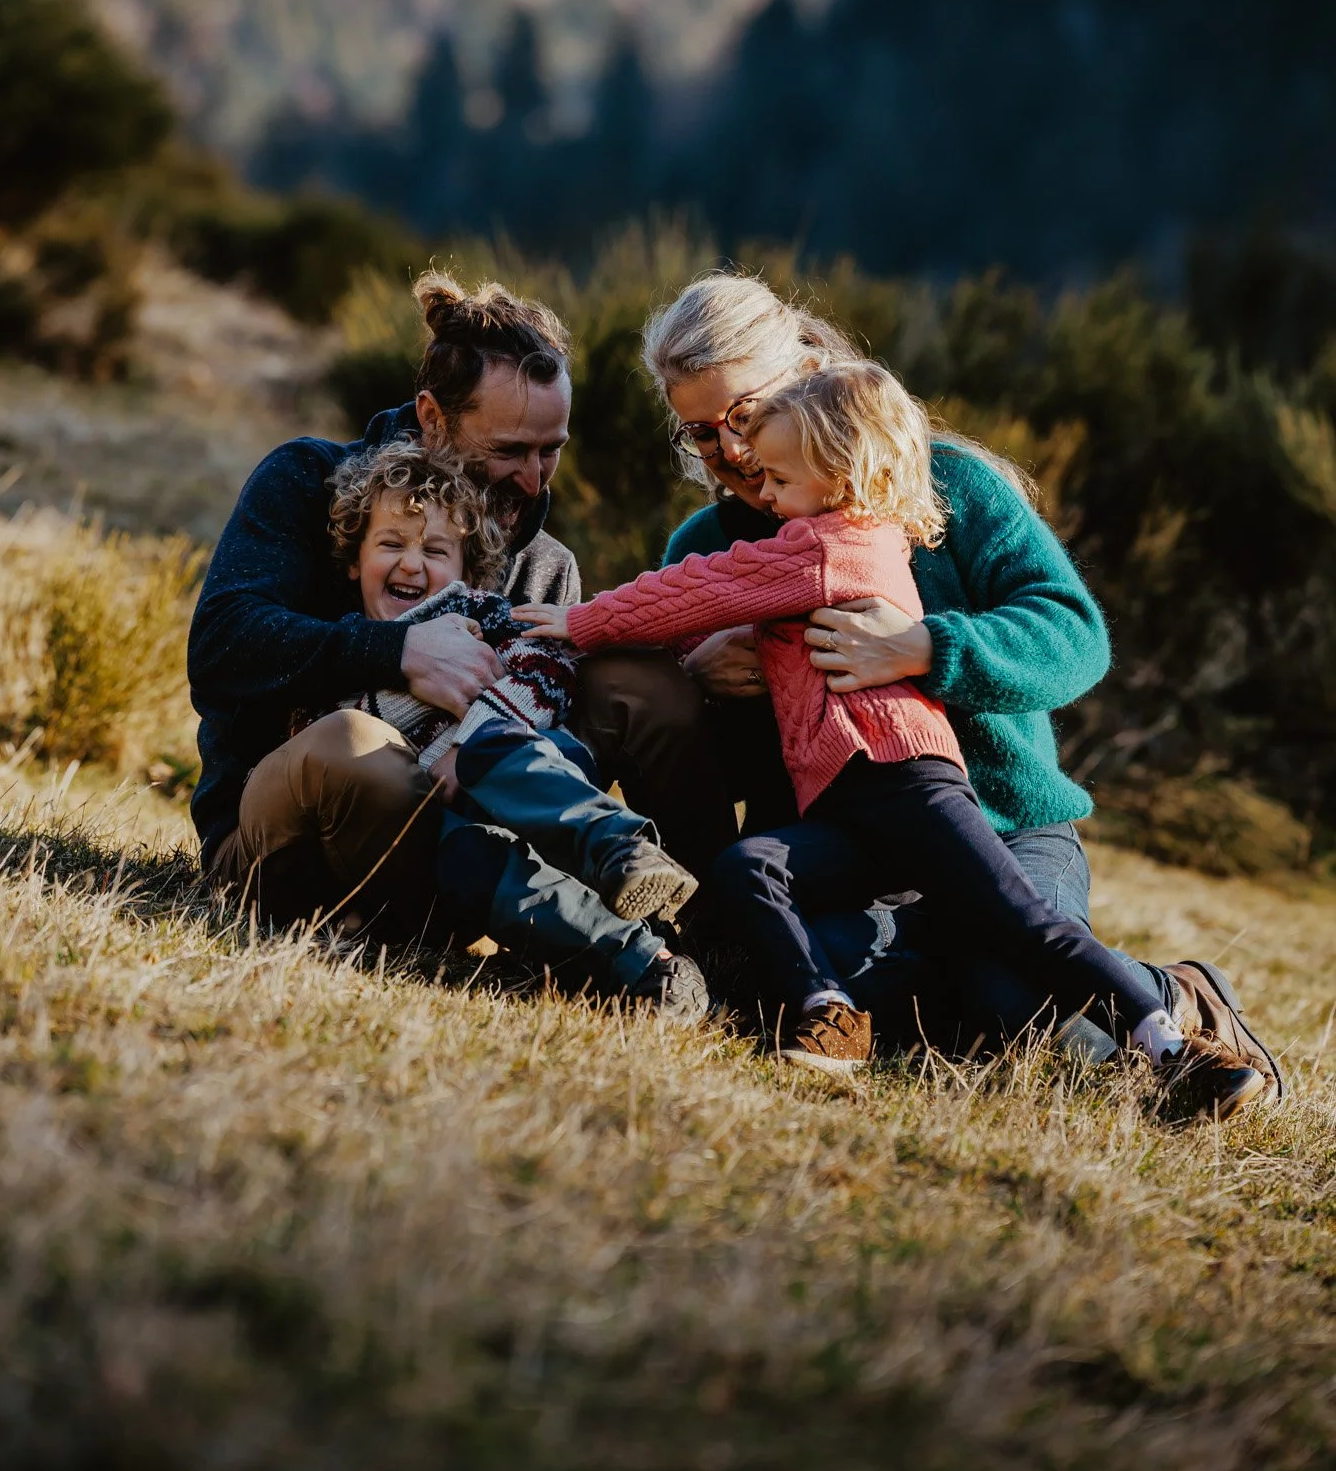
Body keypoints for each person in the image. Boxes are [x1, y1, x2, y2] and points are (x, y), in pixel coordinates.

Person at [519, 363, 1264, 1117]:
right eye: (699, 432)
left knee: (1020, 942)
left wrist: (576, 623)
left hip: (915, 785)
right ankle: (829, 1013)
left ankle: (1174, 1037)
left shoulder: (827, 544)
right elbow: (698, 597)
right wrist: (693, 666)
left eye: (749, 434)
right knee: (751, 872)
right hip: (850, 817)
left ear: (831, 458)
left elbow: (701, 590)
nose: (742, 466)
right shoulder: (769, 524)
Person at [186, 274, 705, 1015]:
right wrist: (394, 652)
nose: (530, 479)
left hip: (465, 843)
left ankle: (688, 927)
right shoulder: (306, 482)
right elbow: (221, 645)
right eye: (509, 449)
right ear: (432, 417)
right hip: (293, 843)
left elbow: (545, 738)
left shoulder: (543, 564)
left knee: (645, 685)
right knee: (354, 741)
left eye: (549, 451)